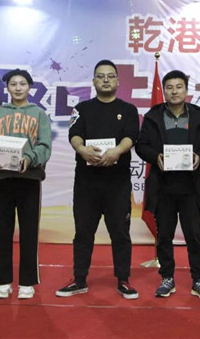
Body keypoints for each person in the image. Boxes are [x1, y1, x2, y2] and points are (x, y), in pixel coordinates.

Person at [55, 59, 140, 300]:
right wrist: (81, 150)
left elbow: (131, 136)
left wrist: (117, 151)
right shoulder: (82, 109)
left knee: (120, 233)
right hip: (87, 183)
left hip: (117, 183)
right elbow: (74, 134)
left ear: (118, 81)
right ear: (93, 81)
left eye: (110, 76)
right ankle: (79, 279)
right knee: (83, 232)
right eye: (100, 76)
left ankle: (123, 280)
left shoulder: (129, 110)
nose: (105, 80)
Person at [136, 70, 200, 300]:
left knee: (194, 236)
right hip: (163, 187)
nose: (174, 91)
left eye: (179, 87)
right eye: (169, 87)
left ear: (186, 90)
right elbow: (141, 145)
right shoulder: (153, 116)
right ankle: (167, 278)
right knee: (164, 236)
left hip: (191, 187)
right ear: (164, 91)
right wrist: (155, 157)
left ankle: (199, 280)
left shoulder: (199, 116)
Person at [0, 68, 52, 300]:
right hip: (1, 179)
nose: (18, 88)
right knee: (2, 231)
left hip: (29, 179)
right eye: (13, 84)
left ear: (29, 87)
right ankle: (3, 281)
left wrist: (29, 158)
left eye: (22, 84)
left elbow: (44, 145)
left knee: (29, 231)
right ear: (7, 88)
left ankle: (27, 282)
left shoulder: (39, 114)